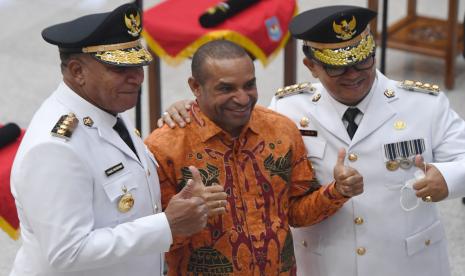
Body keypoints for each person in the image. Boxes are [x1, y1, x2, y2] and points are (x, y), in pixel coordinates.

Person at [157, 5, 465, 276]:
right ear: (311, 66)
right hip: (326, 262)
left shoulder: (424, 103)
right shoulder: (290, 108)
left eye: (362, 62)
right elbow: (234, 114)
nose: (353, 74)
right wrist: (190, 108)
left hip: (406, 262)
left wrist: (447, 178)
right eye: (337, 66)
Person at [9, 3, 227, 276]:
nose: (136, 78)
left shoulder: (103, 108)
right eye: (119, 69)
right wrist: (167, 224)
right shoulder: (54, 147)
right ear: (78, 71)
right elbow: (67, 252)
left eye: (138, 66)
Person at [145, 40, 364, 275]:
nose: (242, 98)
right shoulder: (164, 148)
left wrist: (337, 192)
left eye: (249, 85)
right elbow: (148, 243)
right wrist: (186, 216)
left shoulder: (281, 131)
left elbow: (296, 214)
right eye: (226, 89)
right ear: (195, 87)